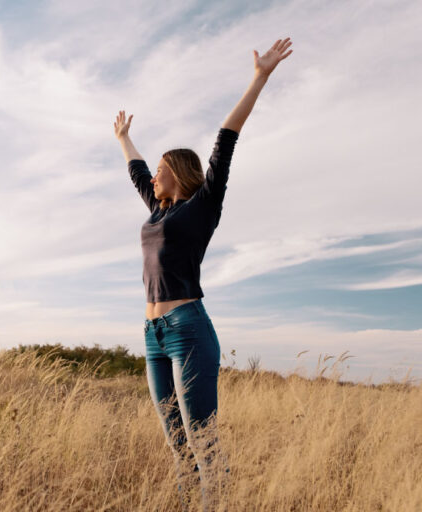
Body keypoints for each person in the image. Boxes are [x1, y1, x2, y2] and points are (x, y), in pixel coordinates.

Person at [113, 37, 293, 511]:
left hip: (188, 329)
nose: (154, 176)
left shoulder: (202, 206)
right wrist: (124, 139)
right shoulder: (157, 210)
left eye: (161, 170)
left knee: (202, 443)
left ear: (179, 172)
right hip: (153, 333)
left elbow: (225, 140)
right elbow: (137, 172)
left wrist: (259, 78)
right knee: (177, 445)